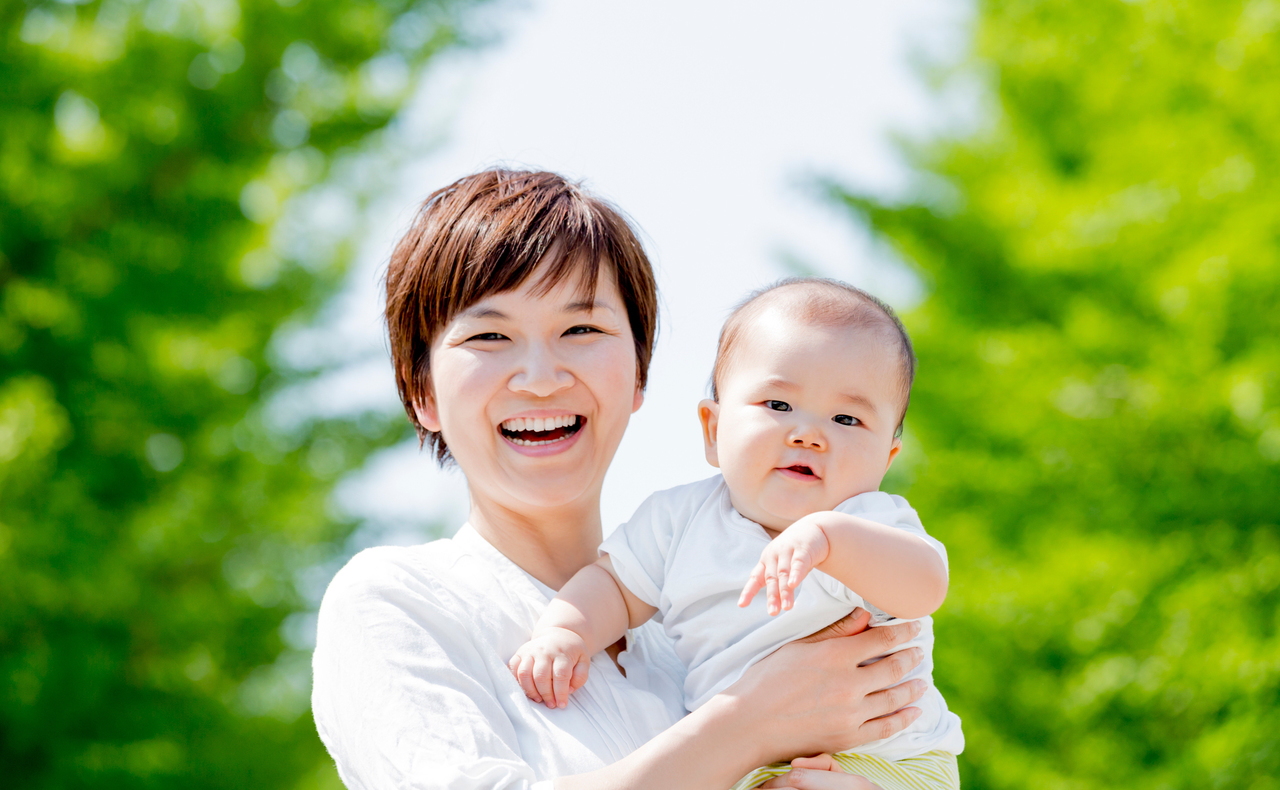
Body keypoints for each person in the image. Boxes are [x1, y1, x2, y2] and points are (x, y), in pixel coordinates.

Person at [311, 169, 929, 790]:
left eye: (581, 330)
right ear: (422, 392)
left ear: (639, 374)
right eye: (489, 335)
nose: (541, 376)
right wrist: (748, 725)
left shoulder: (699, 612)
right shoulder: (401, 602)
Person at [508, 280, 964, 790]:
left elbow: (926, 585)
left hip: (890, 759)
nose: (808, 433)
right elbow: (613, 584)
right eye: (778, 404)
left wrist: (831, 539)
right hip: (744, 768)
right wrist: (566, 632)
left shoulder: (867, 521)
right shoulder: (679, 520)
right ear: (712, 429)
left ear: (885, 459)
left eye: (846, 418)